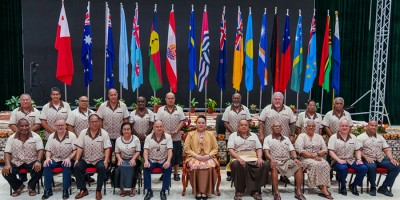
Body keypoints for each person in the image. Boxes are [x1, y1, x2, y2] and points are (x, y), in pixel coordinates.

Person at [228, 119, 269, 200]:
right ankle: (239, 190)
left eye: (245, 125)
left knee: (264, 164)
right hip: (238, 156)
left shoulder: (254, 135)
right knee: (236, 164)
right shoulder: (233, 135)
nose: (243, 126)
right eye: (241, 125)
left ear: (248, 126)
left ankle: (256, 190)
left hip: (252, 157)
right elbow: (230, 150)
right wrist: (239, 158)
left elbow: (259, 148)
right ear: (238, 126)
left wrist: (260, 158)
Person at [2, 119, 44, 197]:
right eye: (21, 126)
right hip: (16, 160)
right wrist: (7, 164)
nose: (24, 128)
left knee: (39, 168)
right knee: (6, 172)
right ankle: (18, 186)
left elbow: (40, 149)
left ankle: (31, 187)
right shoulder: (12, 138)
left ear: (29, 126)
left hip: (31, 160)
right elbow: (7, 152)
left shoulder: (36, 136)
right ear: (17, 127)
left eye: (26, 125)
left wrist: (38, 161)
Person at [264, 121, 305, 200]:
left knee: (298, 165)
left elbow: (292, 151)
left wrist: (295, 158)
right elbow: (266, 153)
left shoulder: (286, 138)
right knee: (274, 166)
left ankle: (298, 192)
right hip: (274, 160)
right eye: (275, 126)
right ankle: (276, 192)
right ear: (271, 128)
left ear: (282, 128)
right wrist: (272, 159)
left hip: (286, 160)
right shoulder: (267, 138)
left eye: (279, 126)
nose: (277, 127)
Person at [74, 114, 111, 200]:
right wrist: (76, 160)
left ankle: (98, 191)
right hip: (86, 159)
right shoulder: (83, 133)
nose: (94, 123)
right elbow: (80, 147)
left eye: (96, 121)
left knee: (102, 167)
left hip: (99, 159)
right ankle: (83, 190)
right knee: (77, 167)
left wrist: (106, 160)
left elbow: (107, 148)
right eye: (92, 122)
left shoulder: (104, 134)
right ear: (89, 123)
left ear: (99, 122)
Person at [358, 120, 400, 197]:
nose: (373, 127)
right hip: (368, 158)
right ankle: (373, 187)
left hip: (380, 158)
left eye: (375, 126)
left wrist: (391, 159)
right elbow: (358, 150)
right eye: (372, 125)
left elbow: (386, 149)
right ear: (367, 126)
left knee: (396, 166)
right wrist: (366, 157)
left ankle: (384, 187)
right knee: (371, 166)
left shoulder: (380, 137)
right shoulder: (361, 137)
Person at [328, 119, 367, 196]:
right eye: (342, 126)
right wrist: (339, 160)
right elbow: (330, 151)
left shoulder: (353, 137)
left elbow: (357, 150)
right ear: (339, 127)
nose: (344, 127)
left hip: (350, 160)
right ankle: (343, 186)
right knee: (343, 168)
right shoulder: (333, 137)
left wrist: (359, 159)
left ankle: (354, 185)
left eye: (346, 126)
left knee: (364, 168)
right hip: (337, 160)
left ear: (349, 127)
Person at [295, 120, 332, 199]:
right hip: (304, 159)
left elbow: (325, 149)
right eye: (309, 126)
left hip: (318, 157)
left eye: (313, 126)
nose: (311, 127)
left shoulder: (319, 136)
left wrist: (317, 154)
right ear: (305, 127)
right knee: (316, 164)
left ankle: (323, 187)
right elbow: (299, 149)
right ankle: (322, 188)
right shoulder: (301, 136)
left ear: (315, 127)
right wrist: (311, 156)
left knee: (325, 164)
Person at [184, 115, 218, 199]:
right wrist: (196, 156)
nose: (201, 124)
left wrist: (208, 155)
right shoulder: (190, 134)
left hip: (208, 156)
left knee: (210, 166)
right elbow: (186, 148)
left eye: (203, 123)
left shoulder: (211, 134)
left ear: (205, 124)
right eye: (199, 123)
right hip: (194, 157)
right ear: (196, 123)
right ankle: (198, 191)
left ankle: (206, 191)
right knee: (195, 166)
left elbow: (215, 148)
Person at [8, 93, 41, 182]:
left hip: (32, 139)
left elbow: (38, 124)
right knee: (19, 156)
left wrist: (28, 133)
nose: (25, 101)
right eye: (23, 100)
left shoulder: (36, 112)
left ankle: (32, 183)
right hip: (18, 139)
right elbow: (12, 124)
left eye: (27, 100)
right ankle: (21, 178)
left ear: (31, 101)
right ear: (20, 101)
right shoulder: (15, 111)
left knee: (30, 157)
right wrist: (19, 133)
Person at [42, 119, 77, 200]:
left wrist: (69, 158)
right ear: (55, 127)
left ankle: (65, 189)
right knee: (47, 165)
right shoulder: (51, 136)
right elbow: (48, 150)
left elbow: (75, 150)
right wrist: (47, 158)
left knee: (66, 165)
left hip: (68, 158)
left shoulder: (72, 135)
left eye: (62, 125)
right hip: (55, 158)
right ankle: (48, 189)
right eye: (58, 125)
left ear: (66, 126)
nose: (60, 127)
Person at [155, 92, 186, 181]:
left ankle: (176, 173)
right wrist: (164, 131)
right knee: (164, 155)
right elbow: (157, 122)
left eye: (172, 98)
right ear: (165, 99)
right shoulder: (160, 109)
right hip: (163, 137)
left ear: (174, 99)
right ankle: (164, 173)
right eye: (168, 98)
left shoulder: (179, 109)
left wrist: (176, 130)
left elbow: (182, 121)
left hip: (176, 137)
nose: (170, 100)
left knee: (176, 155)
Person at [222, 93, 251, 181]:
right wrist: (235, 133)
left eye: (238, 98)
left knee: (242, 153)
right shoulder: (228, 109)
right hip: (230, 136)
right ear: (232, 98)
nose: (236, 100)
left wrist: (243, 131)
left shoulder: (245, 109)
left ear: (240, 99)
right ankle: (229, 174)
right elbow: (225, 123)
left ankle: (242, 172)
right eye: (234, 98)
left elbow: (249, 121)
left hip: (244, 136)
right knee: (230, 154)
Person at [143, 120, 173, 200]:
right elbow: (145, 150)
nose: (159, 128)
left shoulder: (168, 137)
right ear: (153, 127)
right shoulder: (148, 137)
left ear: (163, 127)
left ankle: (163, 190)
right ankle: (149, 190)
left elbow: (170, 151)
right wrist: (146, 160)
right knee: (146, 167)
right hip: (151, 159)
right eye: (157, 126)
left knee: (169, 167)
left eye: (160, 126)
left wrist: (168, 161)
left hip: (163, 160)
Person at [114, 122, 141, 197]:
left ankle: (132, 188)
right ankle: (121, 188)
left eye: (128, 129)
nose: (126, 131)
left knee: (132, 166)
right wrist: (119, 159)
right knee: (120, 167)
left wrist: (133, 159)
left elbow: (138, 151)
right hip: (122, 158)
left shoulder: (136, 139)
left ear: (131, 130)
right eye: (124, 129)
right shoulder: (118, 140)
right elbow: (117, 152)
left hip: (134, 158)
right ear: (122, 130)